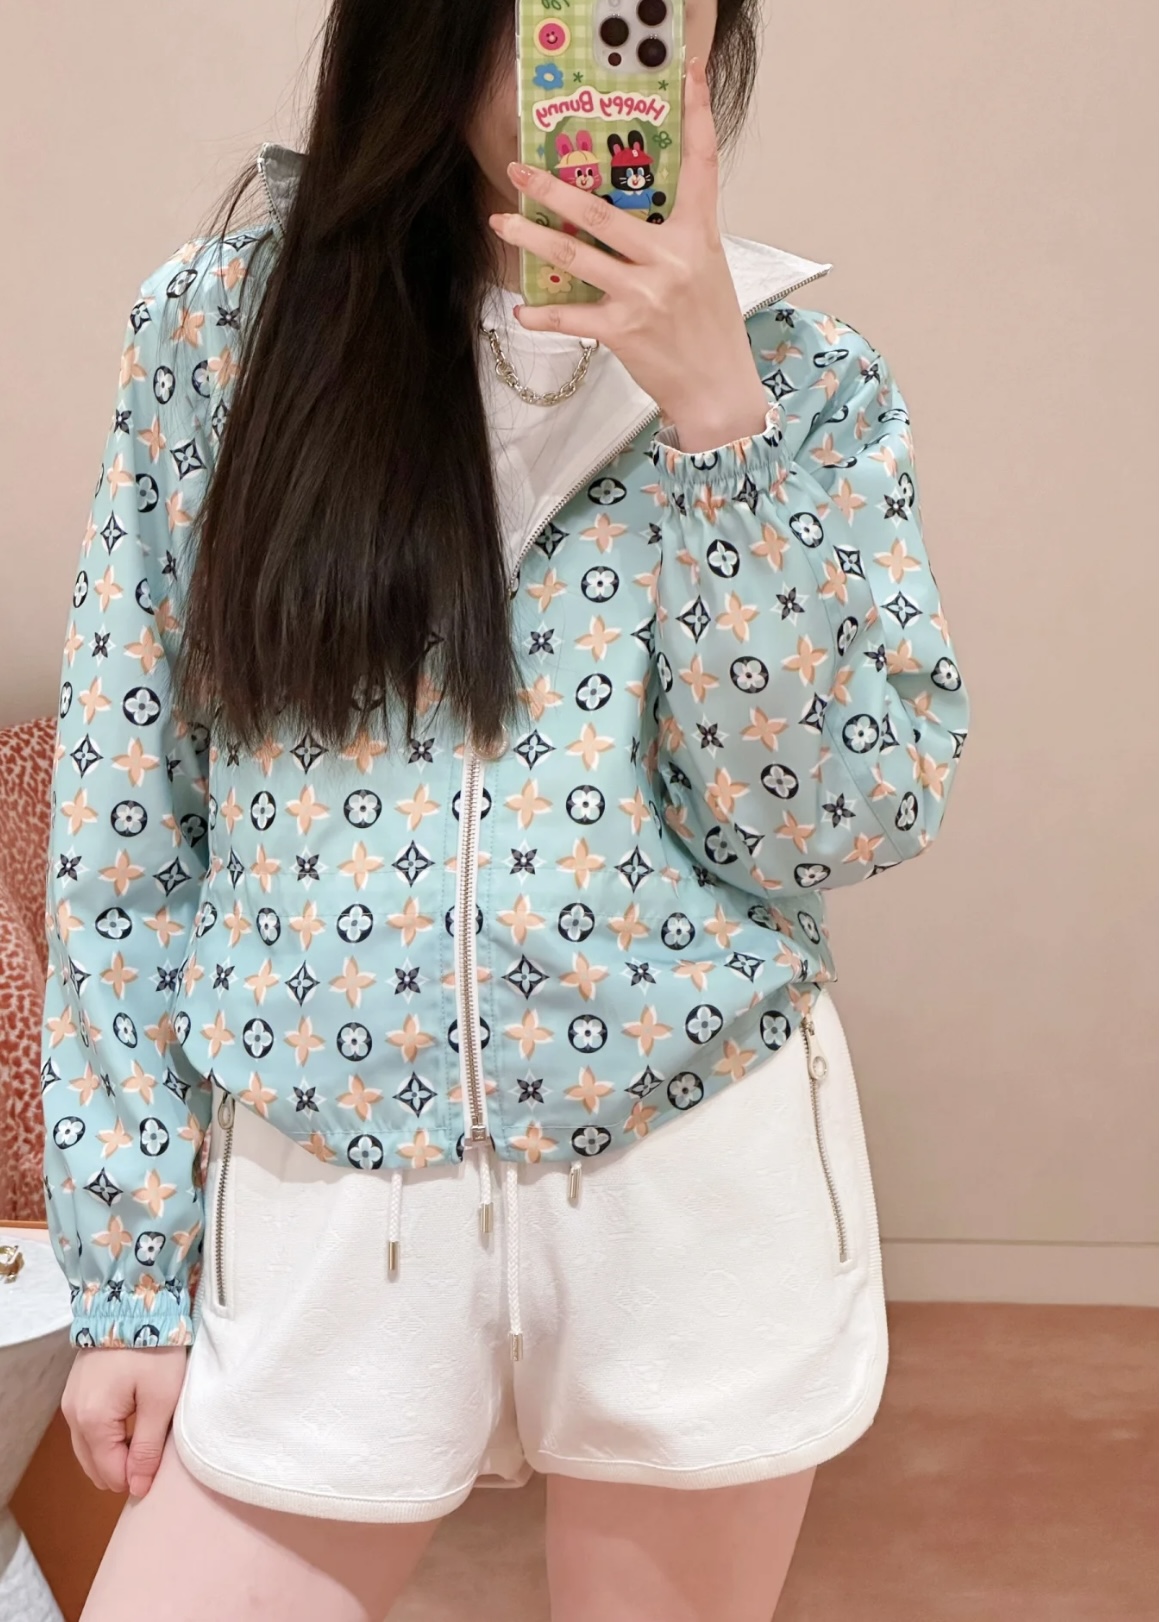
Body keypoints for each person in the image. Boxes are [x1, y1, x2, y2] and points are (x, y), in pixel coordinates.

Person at [39, 0, 969, 1616]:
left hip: (692, 1197)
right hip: (328, 1206)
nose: (603, 33)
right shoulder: (218, 339)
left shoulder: (803, 383)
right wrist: (130, 1274)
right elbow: (130, 823)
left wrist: (717, 418)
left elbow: (839, 820)